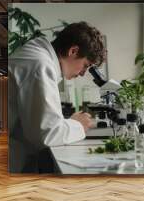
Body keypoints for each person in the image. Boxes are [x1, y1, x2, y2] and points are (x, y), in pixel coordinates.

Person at [8, 22, 106, 173]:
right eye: (85, 65)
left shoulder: (38, 54)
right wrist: (78, 125)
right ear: (73, 51)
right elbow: (47, 134)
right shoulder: (40, 65)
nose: (82, 73)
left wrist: (69, 123)